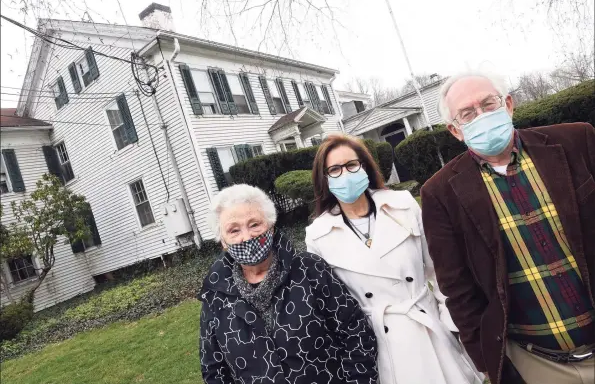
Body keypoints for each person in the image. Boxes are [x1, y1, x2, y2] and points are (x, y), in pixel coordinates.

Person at [421, 71, 595, 384]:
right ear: (455, 130)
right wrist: (488, 362)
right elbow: (457, 289)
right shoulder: (440, 193)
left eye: (489, 104)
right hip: (538, 363)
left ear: (509, 105)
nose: (482, 115)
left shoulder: (578, 141)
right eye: (468, 113)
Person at [305, 134, 483, 384]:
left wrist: (454, 326)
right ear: (324, 179)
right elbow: (334, 307)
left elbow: (440, 270)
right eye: (334, 169)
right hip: (382, 345)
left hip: (429, 329)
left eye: (351, 165)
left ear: (364, 166)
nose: (345, 174)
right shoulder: (317, 235)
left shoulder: (403, 204)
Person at [198, 184, 378, 384]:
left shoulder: (309, 270)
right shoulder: (216, 296)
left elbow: (355, 332)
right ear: (223, 241)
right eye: (234, 230)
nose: (247, 237)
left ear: (271, 226)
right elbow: (214, 370)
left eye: (254, 224)